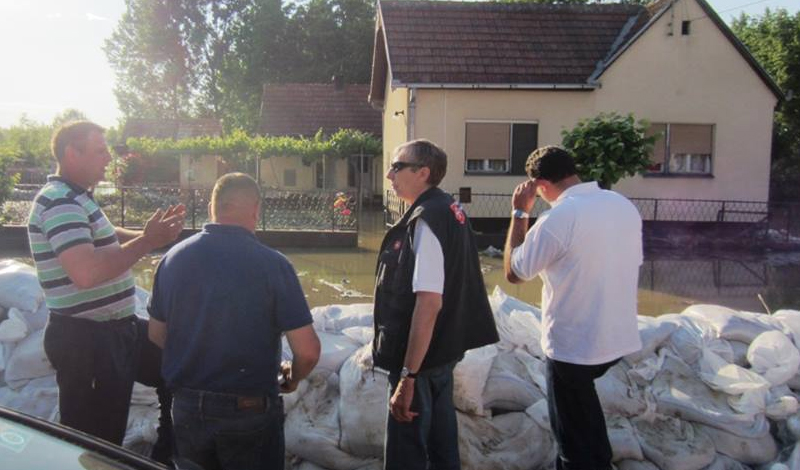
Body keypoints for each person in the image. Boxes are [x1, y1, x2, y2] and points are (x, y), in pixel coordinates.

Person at [27, 121, 184, 455]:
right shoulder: (59, 202)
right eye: (100, 150)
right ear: (72, 153)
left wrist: (157, 238)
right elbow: (86, 273)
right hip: (86, 340)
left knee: (177, 363)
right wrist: (147, 241)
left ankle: (166, 454)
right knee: (96, 439)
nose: (108, 157)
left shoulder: (78, 198)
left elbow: (110, 236)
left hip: (117, 329)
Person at [147, 172, 321, 470]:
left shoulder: (173, 259)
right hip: (248, 412)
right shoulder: (274, 265)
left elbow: (156, 334)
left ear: (213, 208)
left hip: (187, 407)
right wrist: (292, 378)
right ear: (255, 209)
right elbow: (308, 351)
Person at [503, 145, 643, 470]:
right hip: (616, 336)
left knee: (572, 439)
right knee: (584, 413)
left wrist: (520, 213)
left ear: (539, 185)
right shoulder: (621, 205)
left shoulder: (559, 217)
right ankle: (600, 460)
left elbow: (514, 272)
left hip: (574, 345)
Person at [373, 139, 499, 470]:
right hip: (442, 353)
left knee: (407, 453)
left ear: (423, 172)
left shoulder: (427, 220)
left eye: (397, 167)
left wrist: (408, 376)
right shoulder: (450, 211)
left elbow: (428, 303)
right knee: (442, 448)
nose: (389, 175)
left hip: (421, 362)